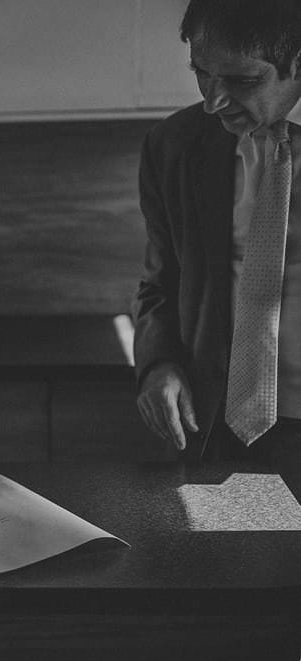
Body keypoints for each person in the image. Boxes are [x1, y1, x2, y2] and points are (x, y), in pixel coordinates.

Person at [133, 0, 301, 468]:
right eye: (202, 73)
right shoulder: (173, 145)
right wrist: (158, 363)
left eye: (243, 81)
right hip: (211, 427)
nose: (214, 100)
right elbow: (158, 282)